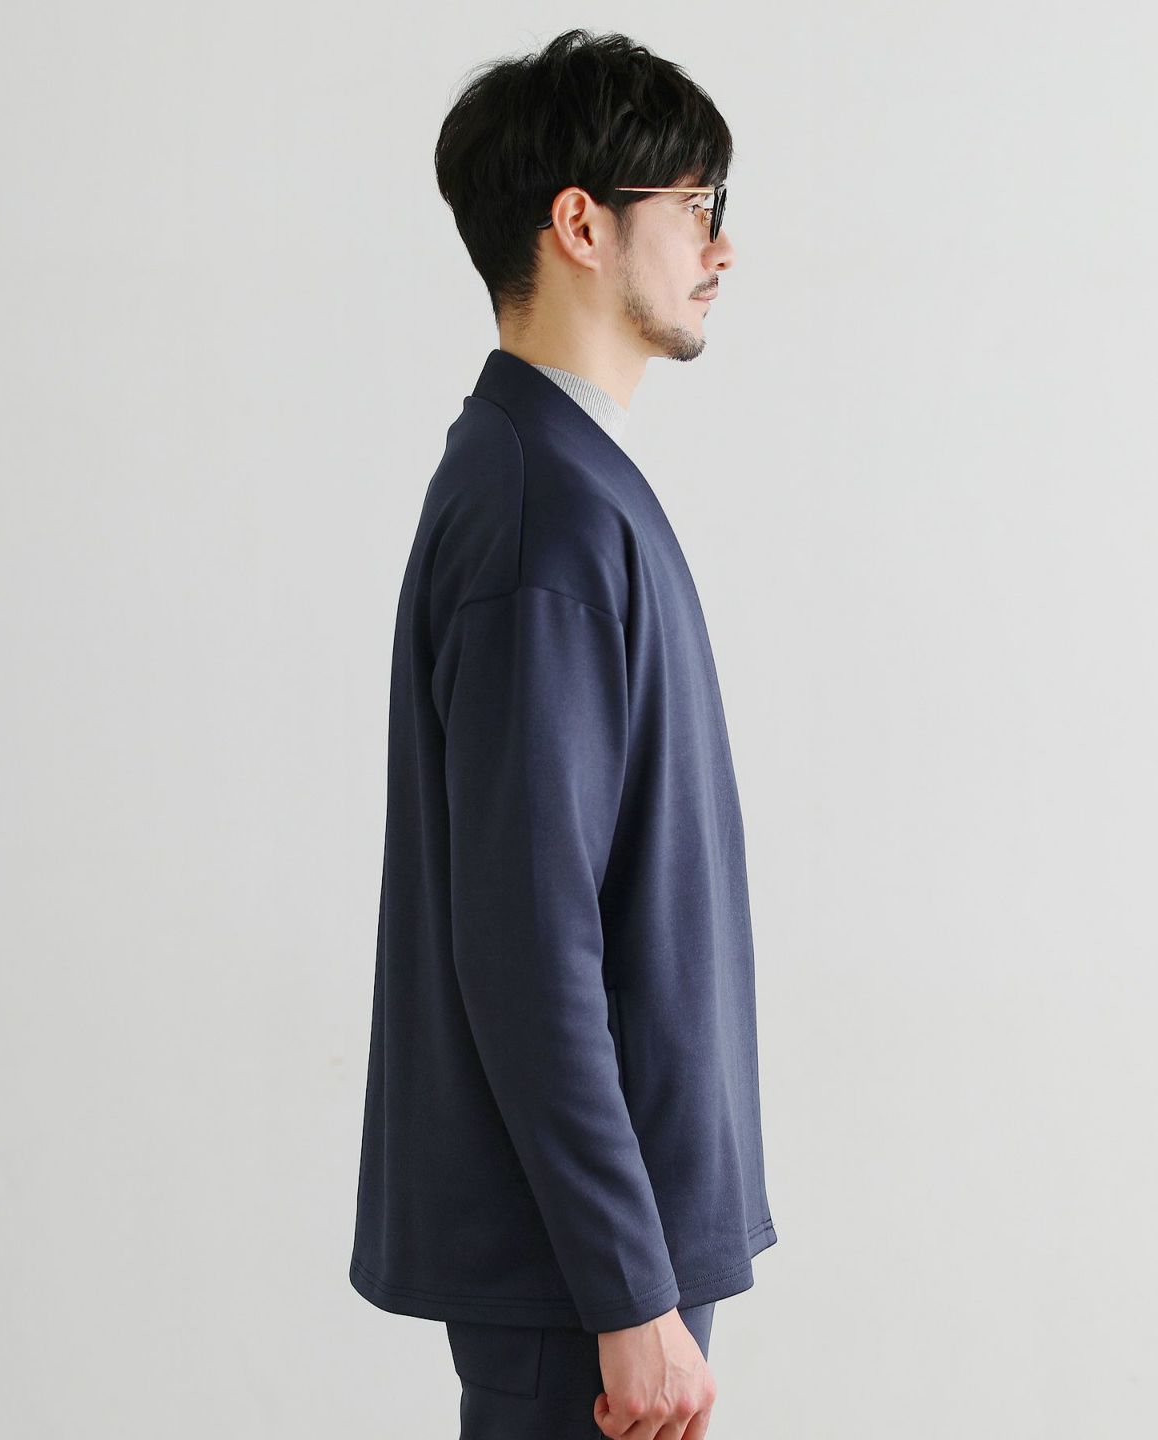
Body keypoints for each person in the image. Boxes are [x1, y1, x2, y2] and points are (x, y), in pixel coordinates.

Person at [347, 27, 777, 1439]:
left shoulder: (559, 481)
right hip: (584, 1286)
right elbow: (529, 941)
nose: (722, 246)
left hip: (598, 1261)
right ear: (581, 224)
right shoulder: (546, 515)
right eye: (695, 205)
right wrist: (628, 1293)